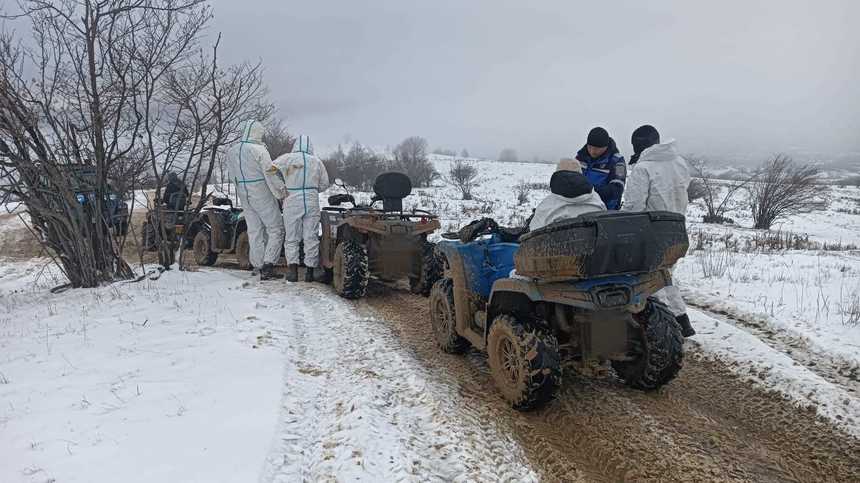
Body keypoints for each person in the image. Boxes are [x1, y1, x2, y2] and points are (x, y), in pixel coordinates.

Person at [622, 124, 695, 337]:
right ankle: (682, 321)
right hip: (678, 228)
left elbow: (634, 206)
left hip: (652, 230)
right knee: (665, 275)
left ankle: (663, 330)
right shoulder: (679, 162)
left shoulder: (643, 169)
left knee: (650, 281)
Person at [225, 119, 286, 281]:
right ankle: (268, 265)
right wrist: (281, 191)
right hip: (261, 193)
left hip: (244, 194)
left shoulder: (232, 151)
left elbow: (232, 176)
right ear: (257, 133)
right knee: (276, 228)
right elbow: (270, 172)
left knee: (255, 230)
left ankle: (257, 265)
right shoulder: (259, 150)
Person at [271, 134, 330, 283]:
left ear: (295, 145)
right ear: (311, 146)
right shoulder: (317, 162)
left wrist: (281, 187)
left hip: (292, 197)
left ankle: (292, 271)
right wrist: (312, 189)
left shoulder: (286, 159)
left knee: (292, 237)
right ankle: (310, 272)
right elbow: (324, 184)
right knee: (311, 236)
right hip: (311, 200)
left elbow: (269, 170)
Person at [528, 159, 606, 231]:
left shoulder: (547, 205)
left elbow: (532, 234)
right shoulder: (597, 200)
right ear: (580, 174)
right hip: (594, 244)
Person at [576, 127, 626, 210]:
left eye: (596, 149)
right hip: (580, 208)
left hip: (605, 212)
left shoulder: (618, 162)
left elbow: (617, 188)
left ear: (605, 147)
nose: (592, 151)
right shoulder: (580, 158)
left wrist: (590, 192)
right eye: (590, 147)